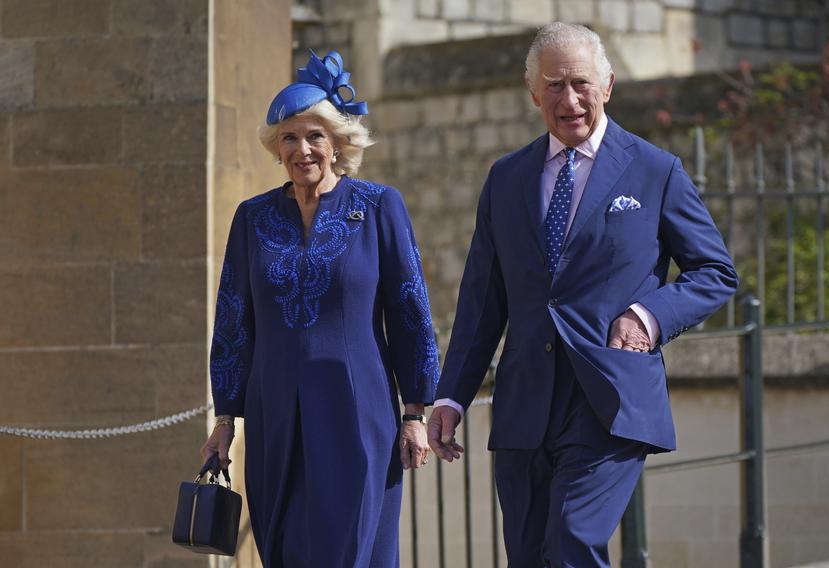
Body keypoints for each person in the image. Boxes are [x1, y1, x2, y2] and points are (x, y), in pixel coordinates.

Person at [428, 22, 737, 567]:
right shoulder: (506, 178)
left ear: (608, 86)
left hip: (608, 395)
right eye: (553, 86)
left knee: (571, 542)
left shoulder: (655, 171)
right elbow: (483, 299)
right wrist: (452, 395)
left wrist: (648, 316)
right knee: (527, 554)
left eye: (580, 84)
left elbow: (714, 271)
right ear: (532, 94)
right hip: (525, 400)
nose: (568, 100)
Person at [200, 51, 440, 567]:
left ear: (338, 144)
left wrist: (415, 411)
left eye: (315, 136)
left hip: (357, 406)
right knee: (283, 545)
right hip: (274, 411)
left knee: (348, 545)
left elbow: (410, 311)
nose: (302, 149)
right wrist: (225, 418)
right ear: (276, 147)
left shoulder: (379, 206)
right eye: (289, 137)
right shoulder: (252, 217)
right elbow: (233, 319)